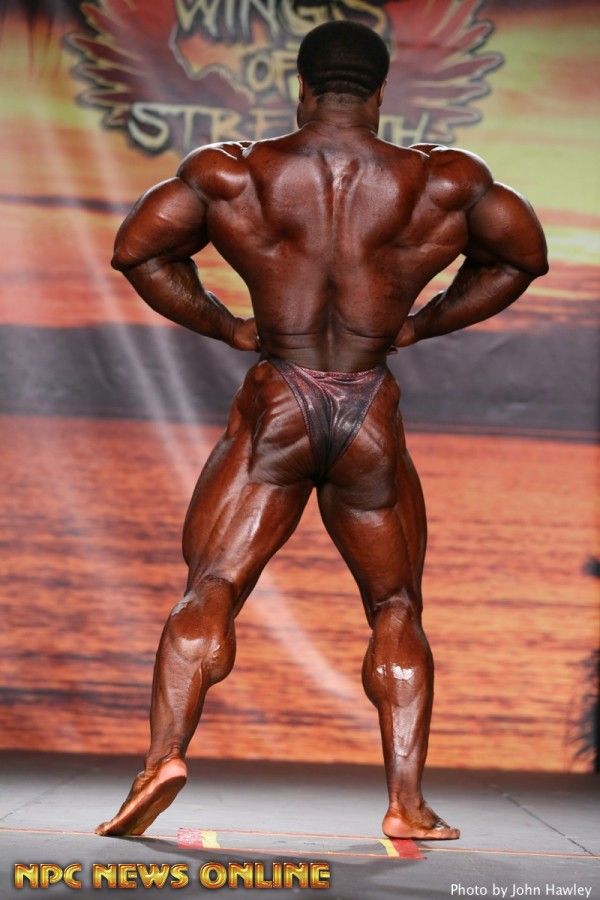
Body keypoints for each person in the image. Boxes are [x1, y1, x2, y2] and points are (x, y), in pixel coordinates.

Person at [95, 21, 547, 841]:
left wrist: (226, 325)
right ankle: (406, 801)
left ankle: (162, 760)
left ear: (300, 87)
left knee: (211, 587)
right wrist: (423, 323)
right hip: (368, 405)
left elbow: (139, 250)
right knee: (396, 604)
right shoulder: (441, 181)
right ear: (381, 92)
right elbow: (522, 256)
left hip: (281, 400)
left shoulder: (236, 173)